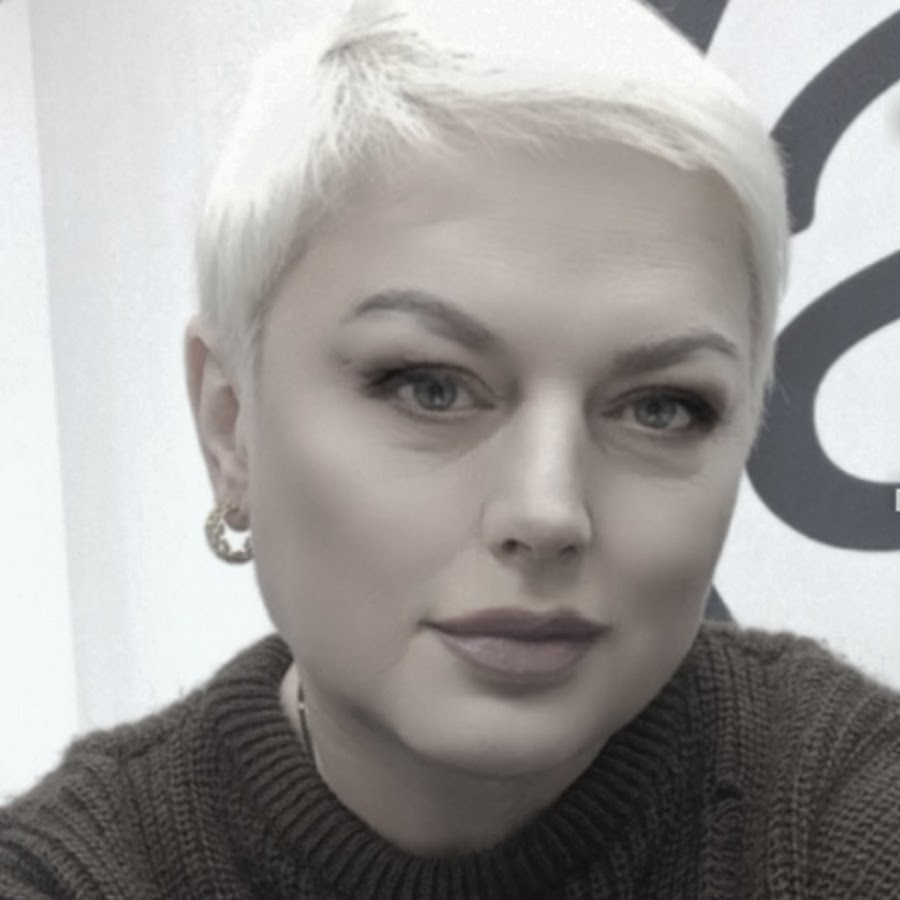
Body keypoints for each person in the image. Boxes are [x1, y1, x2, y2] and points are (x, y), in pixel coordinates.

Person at [2, 0, 899, 896]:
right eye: (429, 387)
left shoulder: (840, 801)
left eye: (661, 408)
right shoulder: (74, 873)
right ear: (230, 424)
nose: (547, 512)